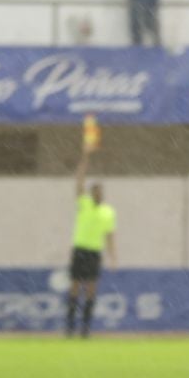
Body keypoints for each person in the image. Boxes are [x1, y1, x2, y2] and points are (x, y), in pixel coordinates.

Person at [66, 143, 116, 338]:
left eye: (99, 191)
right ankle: (70, 326)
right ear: (91, 193)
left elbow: (110, 236)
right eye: (94, 191)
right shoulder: (84, 203)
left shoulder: (108, 212)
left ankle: (85, 328)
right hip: (80, 249)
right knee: (75, 286)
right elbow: (78, 181)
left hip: (95, 252)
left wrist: (113, 256)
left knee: (92, 289)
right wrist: (85, 158)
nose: (97, 194)